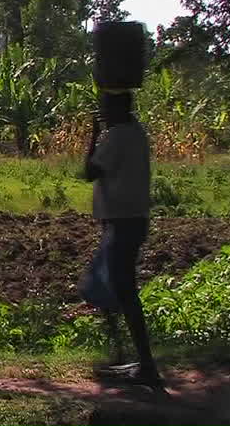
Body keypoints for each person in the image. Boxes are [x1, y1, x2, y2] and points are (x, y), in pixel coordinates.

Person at [82, 90, 162, 388]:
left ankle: (145, 364)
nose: (103, 113)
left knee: (123, 291)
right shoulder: (137, 131)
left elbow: (90, 172)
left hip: (120, 223)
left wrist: (92, 136)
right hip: (132, 220)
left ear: (118, 107)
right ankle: (124, 356)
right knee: (113, 288)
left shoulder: (115, 137)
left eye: (106, 107)